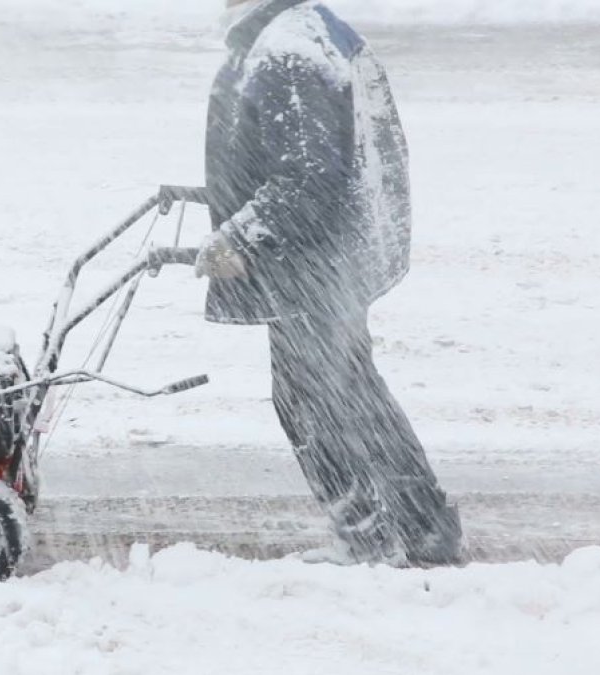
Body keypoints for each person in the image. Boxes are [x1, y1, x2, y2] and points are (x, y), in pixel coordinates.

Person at [196, 0, 464, 565]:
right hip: (325, 260)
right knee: (348, 395)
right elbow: (303, 159)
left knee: (317, 405)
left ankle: (374, 537)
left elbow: (310, 176)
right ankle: (418, 530)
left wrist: (238, 237)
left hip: (311, 262)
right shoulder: (303, 33)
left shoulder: (287, 50)